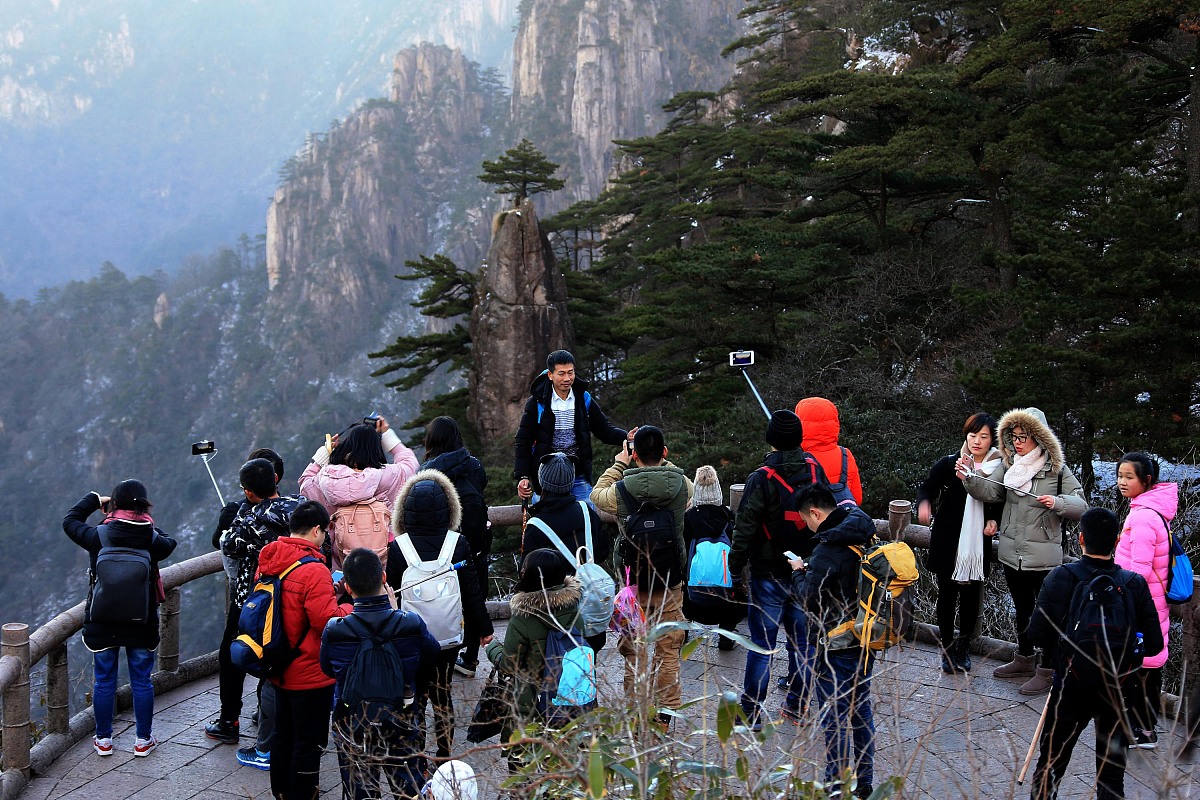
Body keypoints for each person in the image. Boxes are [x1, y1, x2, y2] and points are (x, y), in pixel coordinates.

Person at [1026, 508, 1163, 800]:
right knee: (1111, 775)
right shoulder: (1133, 583)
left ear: (1080, 539)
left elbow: (1035, 634)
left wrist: (1062, 648)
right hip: (1117, 687)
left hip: (1069, 686)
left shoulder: (1061, 576)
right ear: (1116, 542)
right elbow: (1154, 645)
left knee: (1051, 763)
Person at [961, 406, 1086, 696]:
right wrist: (969, 478)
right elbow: (991, 492)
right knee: (1022, 609)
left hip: (1044, 556)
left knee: (1048, 614)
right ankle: (1024, 658)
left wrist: (1057, 503)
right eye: (1014, 436)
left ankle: (1048, 669)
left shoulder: (1056, 469)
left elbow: (1081, 505)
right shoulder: (1009, 465)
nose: (1017, 442)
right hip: (1011, 550)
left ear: (1040, 438)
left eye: (1024, 437)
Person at [64, 480, 177, 758]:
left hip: (103, 618)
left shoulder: (98, 535)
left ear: (113, 504)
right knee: (142, 681)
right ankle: (142, 740)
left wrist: (93, 500)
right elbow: (169, 542)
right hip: (141, 619)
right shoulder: (152, 539)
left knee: (104, 681)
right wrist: (148, 524)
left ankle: (103, 740)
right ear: (144, 506)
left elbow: (70, 521)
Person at [729, 409, 827, 728]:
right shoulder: (815, 471)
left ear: (770, 439)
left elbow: (744, 529)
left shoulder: (762, 478)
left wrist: (735, 568)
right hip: (806, 570)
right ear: (799, 438)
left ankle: (752, 712)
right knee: (804, 644)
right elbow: (831, 515)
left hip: (768, 572)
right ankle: (797, 707)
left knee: (761, 646)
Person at [591, 425, 692, 727]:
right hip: (670, 579)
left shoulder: (620, 491)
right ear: (664, 453)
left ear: (634, 455)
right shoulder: (680, 485)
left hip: (632, 583)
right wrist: (663, 461)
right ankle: (665, 715)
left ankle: (636, 715)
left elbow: (597, 494)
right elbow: (683, 479)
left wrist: (621, 461)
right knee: (668, 646)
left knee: (634, 649)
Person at [389, 469, 494, 759]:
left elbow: (392, 595)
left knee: (417, 695)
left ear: (406, 510)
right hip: (448, 636)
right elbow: (472, 591)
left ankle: (417, 754)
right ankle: (445, 752)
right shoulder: (456, 543)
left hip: (412, 636)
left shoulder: (400, 547)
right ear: (448, 507)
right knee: (442, 692)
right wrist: (484, 628)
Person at [320, 547, 440, 800]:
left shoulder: (335, 630)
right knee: (409, 787)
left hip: (352, 718)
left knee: (359, 788)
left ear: (349, 589)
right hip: (402, 714)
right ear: (383, 578)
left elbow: (327, 668)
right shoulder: (410, 623)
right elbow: (432, 654)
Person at [208, 458, 302, 754]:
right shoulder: (299, 508)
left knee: (234, 654)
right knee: (280, 658)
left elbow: (227, 545)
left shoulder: (247, 520)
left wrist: (234, 517)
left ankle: (229, 721)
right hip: (291, 595)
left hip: (253, 600)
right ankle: (270, 719)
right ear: (276, 478)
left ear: (248, 492)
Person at [789, 484, 877, 798]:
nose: (808, 526)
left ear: (815, 512)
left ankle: (836, 783)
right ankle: (865, 781)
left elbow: (808, 598)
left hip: (834, 641)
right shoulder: (860, 526)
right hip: (865, 634)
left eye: (806, 519)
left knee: (834, 715)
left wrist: (799, 571)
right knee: (860, 709)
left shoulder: (828, 549)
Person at [259, 500, 349, 800]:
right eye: (325, 531)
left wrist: (328, 594)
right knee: (308, 739)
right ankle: (303, 793)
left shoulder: (270, 559)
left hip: (277, 663)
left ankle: (281, 791)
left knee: (282, 733)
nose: (325, 538)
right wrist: (348, 606)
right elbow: (327, 622)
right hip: (309, 670)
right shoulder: (314, 569)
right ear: (315, 530)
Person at [915, 412, 1003, 673]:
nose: (977, 441)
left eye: (984, 436)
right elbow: (927, 487)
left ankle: (964, 647)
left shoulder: (998, 467)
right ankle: (947, 646)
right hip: (948, 537)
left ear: (992, 439)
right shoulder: (951, 463)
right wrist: (924, 504)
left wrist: (994, 520)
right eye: (973, 435)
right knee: (946, 593)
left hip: (977, 540)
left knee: (970, 594)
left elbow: (1001, 499)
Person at [485, 549, 581, 772]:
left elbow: (509, 664)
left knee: (521, 762)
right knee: (559, 764)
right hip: (570, 691)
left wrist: (492, 647)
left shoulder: (524, 615)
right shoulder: (574, 605)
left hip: (531, 697)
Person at [299, 414, 419, 574]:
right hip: (383, 566)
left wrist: (326, 452)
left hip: (341, 565)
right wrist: (386, 433)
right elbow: (410, 462)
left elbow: (305, 483)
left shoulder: (327, 478)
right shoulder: (389, 476)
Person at [419, 416, 492, 678]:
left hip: (444, 547)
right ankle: (470, 659)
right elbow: (482, 486)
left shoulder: (428, 473)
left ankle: (440, 653)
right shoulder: (474, 465)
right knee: (474, 598)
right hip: (476, 544)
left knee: (441, 600)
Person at [1114, 451, 1177, 749]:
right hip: (1152, 604)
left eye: (1129, 477)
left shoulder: (1141, 517)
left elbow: (1137, 573)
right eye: (1120, 475)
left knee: (1142, 670)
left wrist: (1120, 600)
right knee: (1147, 669)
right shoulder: (1151, 511)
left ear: (1146, 480)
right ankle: (1144, 727)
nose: (1122, 482)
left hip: (1141, 607)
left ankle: (1143, 730)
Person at [514, 349, 632, 503]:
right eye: (561, 373)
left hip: (577, 473)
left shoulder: (583, 398)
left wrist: (627, 437)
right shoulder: (537, 402)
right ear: (550, 375)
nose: (567, 378)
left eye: (570, 373)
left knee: (588, 515)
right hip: (546, 475)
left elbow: (604, 430)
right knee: (545, 521)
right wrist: (523, 476)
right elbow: (523, 441)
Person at [524, 452, 610, 651]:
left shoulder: (536, 526)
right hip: (590, 611)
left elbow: (530, 575)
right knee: (588, 670)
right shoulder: (586, 511)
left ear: (542, 481)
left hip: (558, 617)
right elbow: (602, 551)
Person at [682, 465, 743, 651]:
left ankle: (683, 631)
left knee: (684, 583)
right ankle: (725, 636)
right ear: (718, 492)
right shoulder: (728, 518)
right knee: (734, 596)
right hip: (724, 598)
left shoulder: (689, 518)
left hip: (694, 599)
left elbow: (683, 553)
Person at [794, 397, 864, 505]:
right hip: (844, 520)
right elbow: (857, 498)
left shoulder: (800, 460)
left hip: (815, 521)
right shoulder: (845, 454)